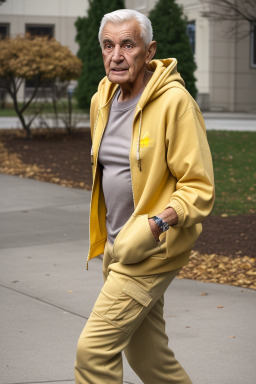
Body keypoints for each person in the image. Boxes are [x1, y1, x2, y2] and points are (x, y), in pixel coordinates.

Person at [75, 9, 214, 384]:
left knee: (93, 354)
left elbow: (199, 187)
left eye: (127, 45)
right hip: (116, 248)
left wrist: (156, 225)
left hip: (151, 250)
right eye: (108, 45)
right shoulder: (100, 101)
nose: (116, 55)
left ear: (148, 51)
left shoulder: (175, 103)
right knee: (149, 358)